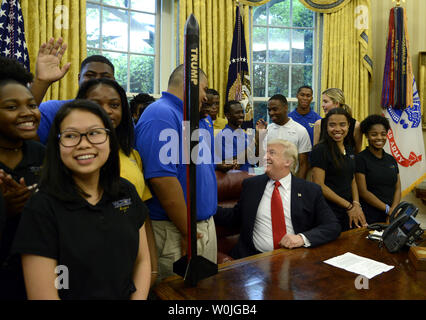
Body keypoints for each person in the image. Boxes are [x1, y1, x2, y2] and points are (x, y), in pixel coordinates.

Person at [12, 100, 151, 300]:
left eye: (94, 133)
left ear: (109, 139)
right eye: (71, 136)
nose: (84, 144)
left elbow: (142, 261)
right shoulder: (41, 206)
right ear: (56, 144)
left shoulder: (125, 191)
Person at [135, 64, 217, 280]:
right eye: (204, 89)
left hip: (200, 226)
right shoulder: (161, 114)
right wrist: (187, 231)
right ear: (190, 85)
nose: (206, 97)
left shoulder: (189, 118)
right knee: (177, 297)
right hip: (176, 230)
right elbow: (162, 179)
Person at [75, 78, 158, 286]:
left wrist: (152, 266)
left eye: (114, 105)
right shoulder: (70, 155)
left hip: (131, 264)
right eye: (96, 104)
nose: (107, 111)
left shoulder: (132, 155)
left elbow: (142, 214)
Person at [214, 139, 340, 259]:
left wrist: (302, 238)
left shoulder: (310, 190)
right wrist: (204, 208)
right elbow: (234, 216)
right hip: (253, 259)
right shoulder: (251, 185)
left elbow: (332, 225)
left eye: (271, 153)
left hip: (295, 258)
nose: (264, 157)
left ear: (288, 161)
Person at [0, 57, 45, 300]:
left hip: (36, 277)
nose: (27, 113)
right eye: (11, 107)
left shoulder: (41, 154)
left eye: (32, 105)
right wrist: (4, 209)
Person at [32, 37, 115, 144]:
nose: (97, 81)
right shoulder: (52, 110)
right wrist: (40, 82)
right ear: (79, 78)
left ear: (114, 81)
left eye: (105, 77)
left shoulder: (118, 115)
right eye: (90, 75)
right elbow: (25, 140)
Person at [311, 108, 367, 232]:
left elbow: (351, 178)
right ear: (326, 127)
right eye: (332, 125)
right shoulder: (320, 150)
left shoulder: (349, 149)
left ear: (348, 126)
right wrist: (349, 206)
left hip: (349, 208)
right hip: (328, 209)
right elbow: (319, 185)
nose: (337, 129)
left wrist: (356, 204)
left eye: (342, 124)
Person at [355, 115, 401, 224]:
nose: (379, 138)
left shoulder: (391, 159)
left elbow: (398, 188)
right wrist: (388, 210)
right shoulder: (360, 159)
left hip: (391, 216)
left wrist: (393, 211)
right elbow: (363, 192)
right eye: (374, 134)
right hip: (370, 217)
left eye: (383, 134)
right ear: (367, 136)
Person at [256, 94, 311, 179]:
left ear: (286, 108)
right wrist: (259, 136)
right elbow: (258, 161)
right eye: (269, 110)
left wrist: (299, 186)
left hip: (291, 180)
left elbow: (303, 164)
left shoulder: (300, 130)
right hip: (268, 179)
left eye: (275, 109)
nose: (271, 113)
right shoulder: (267, 130)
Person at [313, 88, 362, 153]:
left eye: (325, 101)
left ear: (336, 103)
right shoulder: (319, 124)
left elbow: (357, 153)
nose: (322, 105)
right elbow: (315, 152)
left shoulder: (356, 126)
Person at [214, 100, 252, 172]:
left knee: (268, 172)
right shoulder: (223, 136)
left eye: (242, 112)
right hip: (234, 175)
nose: (241, 115)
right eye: (237, 113)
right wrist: (254, 143)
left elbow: (253, 158)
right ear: (228, 115)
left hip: (249, 172)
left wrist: (260, 138)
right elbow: (233, 162)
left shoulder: (244, 134)